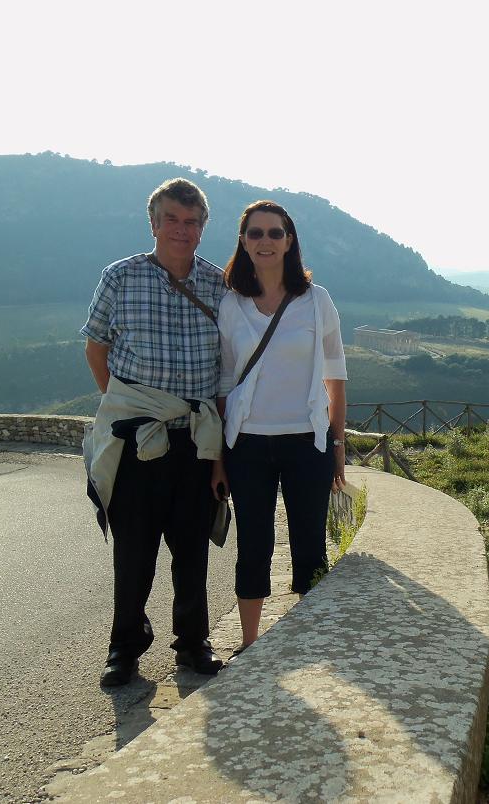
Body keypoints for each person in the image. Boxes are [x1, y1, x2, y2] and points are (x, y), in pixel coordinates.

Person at [82, 178, 227, 687]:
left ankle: (192, 645)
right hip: (136, 440)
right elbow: (96, 348)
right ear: (154, 223)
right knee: (134, 551)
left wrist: (218, 459)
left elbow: (226, 366)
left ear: (203, 228)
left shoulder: (217, 284)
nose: (181, 230)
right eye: (172, 219)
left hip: (194, 439)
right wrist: (127, 407)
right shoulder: (120, 278)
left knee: (192, 550)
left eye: (192, 222)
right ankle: (124, 649)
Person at [213, 199, 347, 651]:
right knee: (253, 543)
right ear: (243, 242)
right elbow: (225, 381)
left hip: (306, 442)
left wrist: (338, 445)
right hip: (247, 443)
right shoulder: (230, 305)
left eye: (274, 233)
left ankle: (310, 642)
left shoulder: (316, 301)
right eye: (255, 233)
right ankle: (250, 644)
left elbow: (335, 376)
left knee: (310, 543)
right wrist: (217, 455)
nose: (265, 241)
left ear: (290, 241)